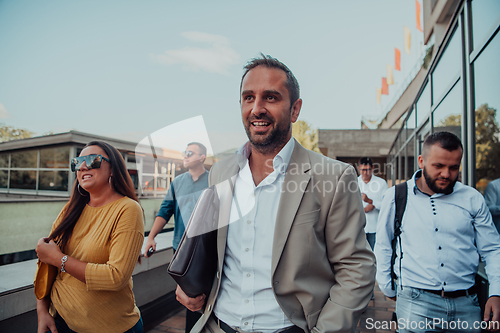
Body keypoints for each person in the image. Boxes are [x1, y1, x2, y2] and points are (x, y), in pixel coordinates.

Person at [176, 54, 376, 333]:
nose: (257, 108)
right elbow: (215, 252)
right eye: (248, 98)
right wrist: (190, 286)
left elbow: (356, 267)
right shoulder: (220, 173)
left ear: (295, 110)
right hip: (218, 325)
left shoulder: (334, 176)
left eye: (270, 97)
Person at [375, 131, 500, 333]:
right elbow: (382, 244)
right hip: (415, 304)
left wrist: (496, 293)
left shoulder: (472, 198)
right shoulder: (395, 196)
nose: (446, 174)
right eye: (438, 166)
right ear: (421, 161)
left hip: (467, 305)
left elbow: (493, 250)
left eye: (453, 168)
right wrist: (386, 285)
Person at [35, 141, 144, 333]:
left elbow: (116, 277)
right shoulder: (70, 210)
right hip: (60, 321)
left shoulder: (128, 209)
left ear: (113, 169)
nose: (83, 166)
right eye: (77, 162)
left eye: (93, 160)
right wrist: (42, 311)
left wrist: (58, 258)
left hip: (111, 327)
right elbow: (45, 263)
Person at [144, 142, 208, 332]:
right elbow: (165, 211)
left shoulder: (214, 180)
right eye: (184, 152)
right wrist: (151, 237)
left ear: (202, 157)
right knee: (189, 298)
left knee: (205, 296)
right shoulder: (177, 182)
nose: (185, 156)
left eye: (190, 153)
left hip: (205, 249)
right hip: (180, 249)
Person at [357, 156, 388, 250]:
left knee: (376, 255)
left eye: (368, 170)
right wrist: (362, 210)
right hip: (359, 228)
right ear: (358, 168)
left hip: (376, 228)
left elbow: (387, 205)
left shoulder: (381, 183)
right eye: (363, 170)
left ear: (373, 168)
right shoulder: (354, 182)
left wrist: (371, 203)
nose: (365, 173)